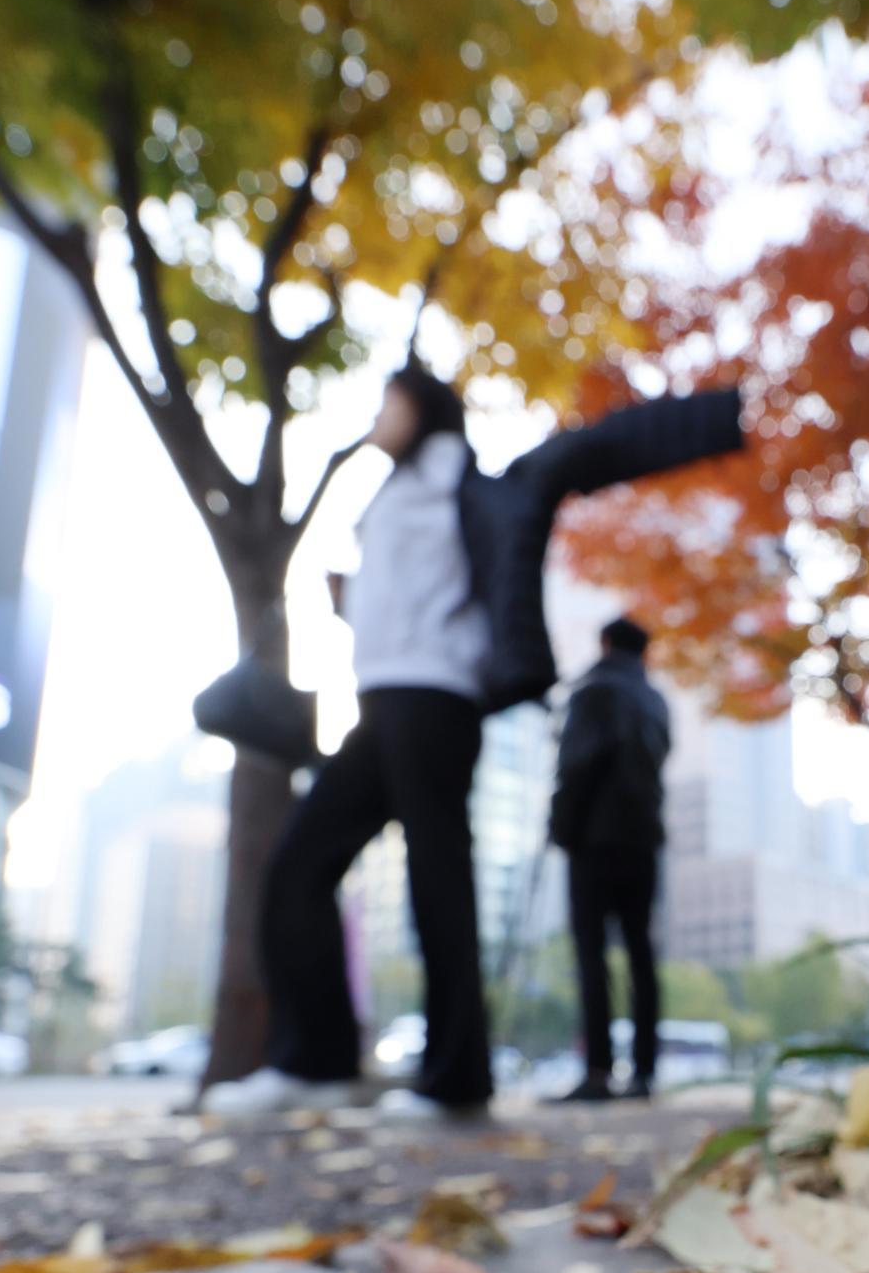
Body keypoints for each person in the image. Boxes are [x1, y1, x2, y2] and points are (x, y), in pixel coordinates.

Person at [208, 360, 741, 1120]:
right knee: (298, 866)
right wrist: (349, 601)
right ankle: (316, 1060)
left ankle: (457, 1077)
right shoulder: (386, 497)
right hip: (379, 698)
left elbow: (589, 452)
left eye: (389, 401)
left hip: (438, 700)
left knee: (439, 881)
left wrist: (728, 416)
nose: (376, 416)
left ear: (421, 407)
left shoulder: (478, 486)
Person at [550, 615, 670, 1102]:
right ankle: (644, 1072)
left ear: (604, 643)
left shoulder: (592, 691)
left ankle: (598, 1071)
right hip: (645, 837)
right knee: (642, 953)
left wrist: (561, 825)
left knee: (591, 953)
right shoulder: (657, 700)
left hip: (594, 840)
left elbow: (577, 764)